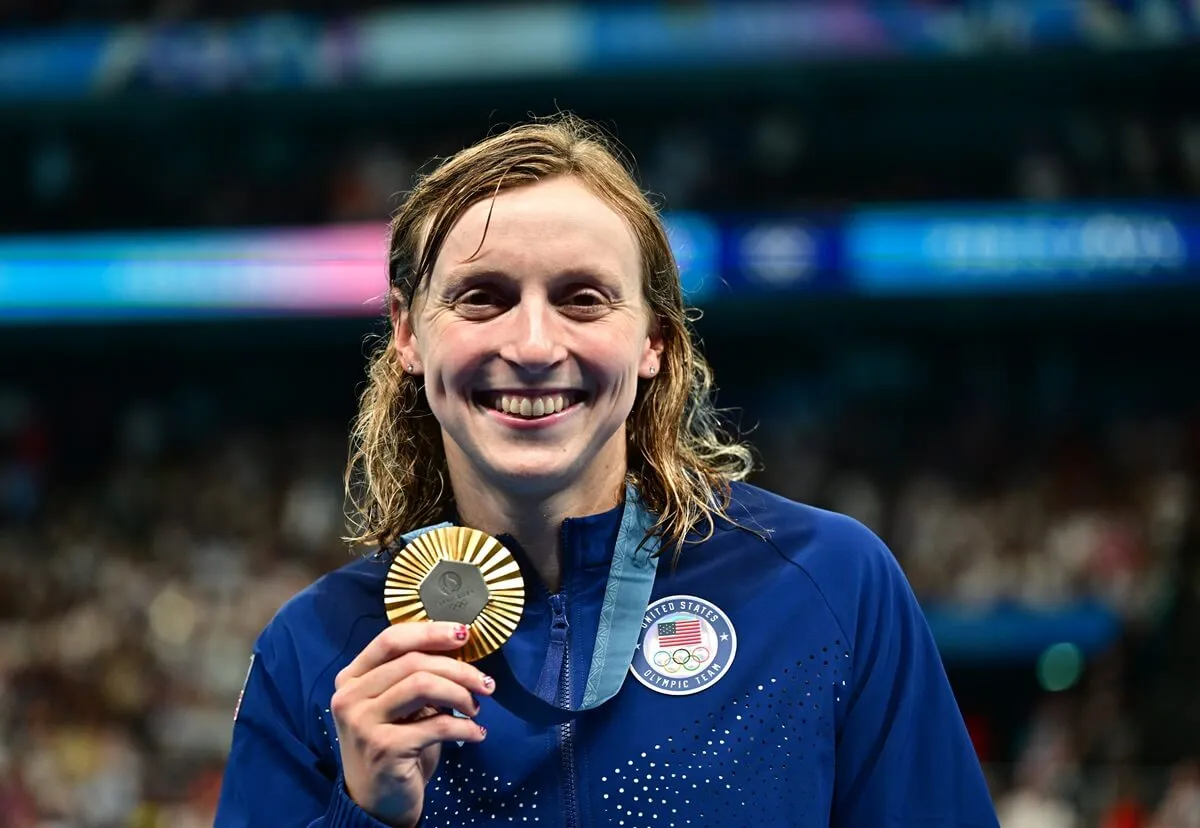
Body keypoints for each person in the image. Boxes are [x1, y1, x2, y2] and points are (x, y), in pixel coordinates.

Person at [214, 115, 999, 827]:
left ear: (653, 338)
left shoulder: (828, 588)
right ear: (408, 333)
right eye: (482, 298)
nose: (531, 345)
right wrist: (367, 818)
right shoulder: (317, 653)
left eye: (582, 299)